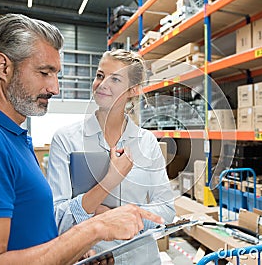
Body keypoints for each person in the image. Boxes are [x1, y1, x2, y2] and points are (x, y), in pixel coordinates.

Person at [0, 13, 164, 265]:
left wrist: (73, 253)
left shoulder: (13, 137)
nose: (55, 88)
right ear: (3, 67)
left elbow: (32, 234)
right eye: (45, 72)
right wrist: (95, 228)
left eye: (56, 75)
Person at [46, 49, 176, 264]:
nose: (102, 84)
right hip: (90, 257)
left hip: (141, 259)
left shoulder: (147, 143)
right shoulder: (66, 140)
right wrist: (108, 183)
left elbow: (167, 211)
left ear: (133, 90)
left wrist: (112, 214)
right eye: (100, 75)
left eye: (115, 79)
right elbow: (57, 219)